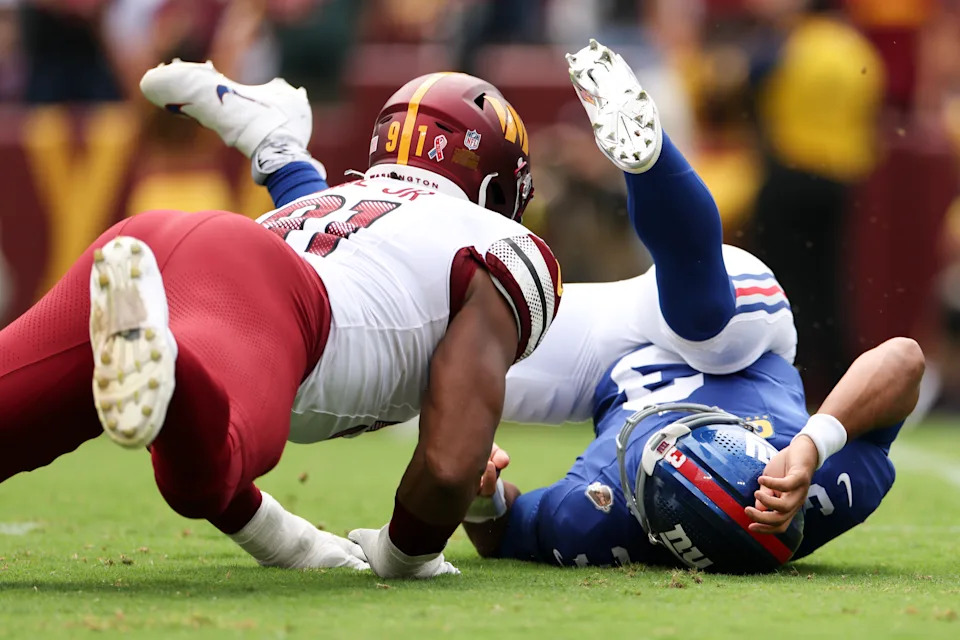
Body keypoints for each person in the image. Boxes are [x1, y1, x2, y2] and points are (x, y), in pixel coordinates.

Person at [0, 62, 561, 579]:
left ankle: (274, 146)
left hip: (158, 243)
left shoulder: (356, 202)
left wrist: (290, 542)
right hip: (252, 292)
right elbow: (444, 468)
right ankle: (167, 352)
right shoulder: (501, 247)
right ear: (497, 186)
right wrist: (404, 552)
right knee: (199, 470)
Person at [458, 40, 922, 571]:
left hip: (604, 360)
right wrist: (812, 446)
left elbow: (506, 532)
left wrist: (480, 493)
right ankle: (650, 161)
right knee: (711, 334)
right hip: (741, 326)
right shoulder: (820, 490)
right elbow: (904, 360)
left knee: (443, 373)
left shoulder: (598, 517)